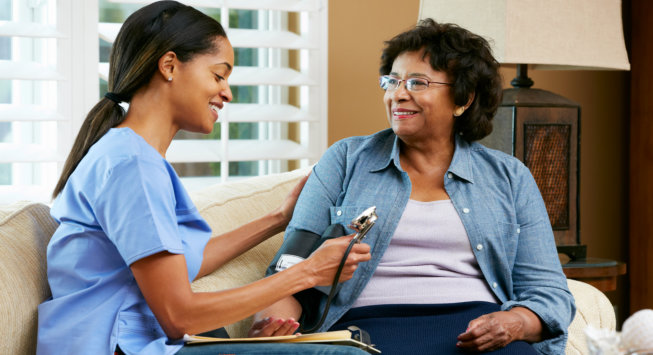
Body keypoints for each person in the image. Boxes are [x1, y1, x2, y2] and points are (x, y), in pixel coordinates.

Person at [36, 2, 371, 354]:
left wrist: (278, 220)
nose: (227, 92)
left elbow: (183, 263)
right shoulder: (131, 166)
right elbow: (178, 316)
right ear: (169, 66)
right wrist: (308, 273)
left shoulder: (134, 157)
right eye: (218, 75)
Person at [253, 19, 576, 354]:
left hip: (478, 331)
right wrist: (272, 325)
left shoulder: (509, 176)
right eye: (392, 81)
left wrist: (514, 323)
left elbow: (548, 291)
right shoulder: (346, 159)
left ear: (462, 99)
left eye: (417, 83)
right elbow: (289, 266)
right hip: (364, 328)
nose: (398, 94)